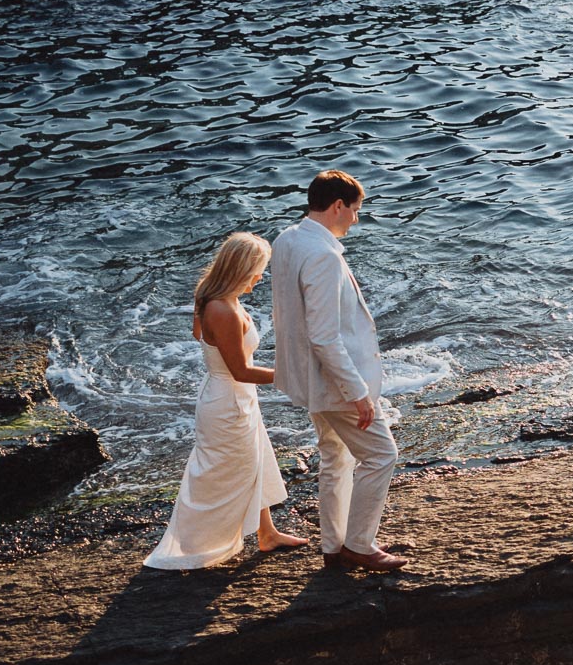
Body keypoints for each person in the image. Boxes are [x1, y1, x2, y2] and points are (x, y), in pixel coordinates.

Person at [144, 232, 308, 569]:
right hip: (227, 400)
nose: (261, 277)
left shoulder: (211, 295)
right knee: (221, 472)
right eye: (258, 270)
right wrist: (290, 375)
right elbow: (241, 370)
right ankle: (191, 544)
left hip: (227, 395)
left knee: (256, 460)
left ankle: (267, 533)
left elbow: (198, 336)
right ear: (241, 268)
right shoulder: (222, 308)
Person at [270, 169, 407, 572]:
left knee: (335, 456)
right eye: (355, 210)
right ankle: (360, 545)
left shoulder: (288, 239)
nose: (356, 219)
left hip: (310, 379)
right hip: (334, 382)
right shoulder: (323, 256)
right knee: (382, 454)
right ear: (337, 207)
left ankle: (334, 545)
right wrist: (358, 393)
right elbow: (324, 337)